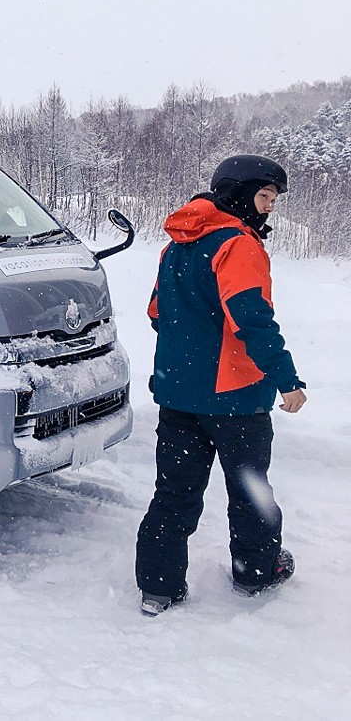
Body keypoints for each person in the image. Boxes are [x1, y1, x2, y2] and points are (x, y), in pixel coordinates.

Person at [136, 154, 306, 616]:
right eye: (264, 195)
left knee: (174, 492)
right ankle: (256, 571)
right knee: (250, 489)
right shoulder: (238, 244)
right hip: (235, 403)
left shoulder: (178, 244)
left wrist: (189, 361)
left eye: (273, 198)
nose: (269, 206)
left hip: (177, 396)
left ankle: (158, 586)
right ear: (236, 192)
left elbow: (156, 313)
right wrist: (286, 380)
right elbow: (252, 318)